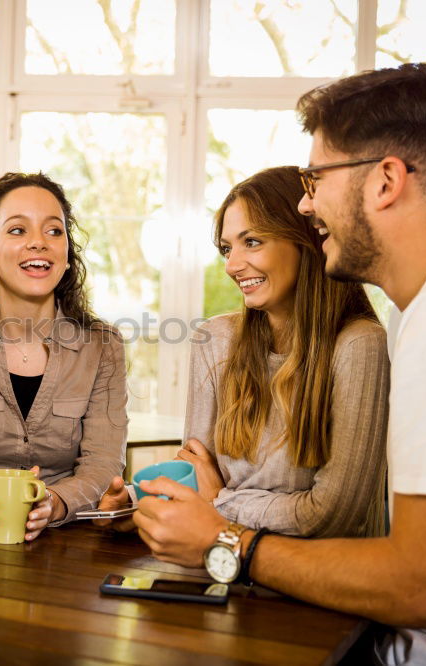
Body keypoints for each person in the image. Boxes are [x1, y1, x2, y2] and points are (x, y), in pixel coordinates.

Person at [133, 63, 426, 664]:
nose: (306, 201)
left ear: (385, 181)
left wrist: (227, 540)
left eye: (315, 176)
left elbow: (420, 587)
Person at [101, 166, 389, 538]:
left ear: (305, 239)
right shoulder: (217, 340)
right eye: (226, 248)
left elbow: (331, 515)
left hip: (315, 580)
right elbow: (194, 479)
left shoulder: (359, 345)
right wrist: (138, 504)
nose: (232, 265)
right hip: (222, 564)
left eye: (252, 241)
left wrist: (221, 501)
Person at [0, 172, 128, 542]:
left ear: (67, 255)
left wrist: (58, 503)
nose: (38, 243)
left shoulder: (104, 345)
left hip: (71, 540)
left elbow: (103, 461)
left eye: (54, 231)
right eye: (17, 230)